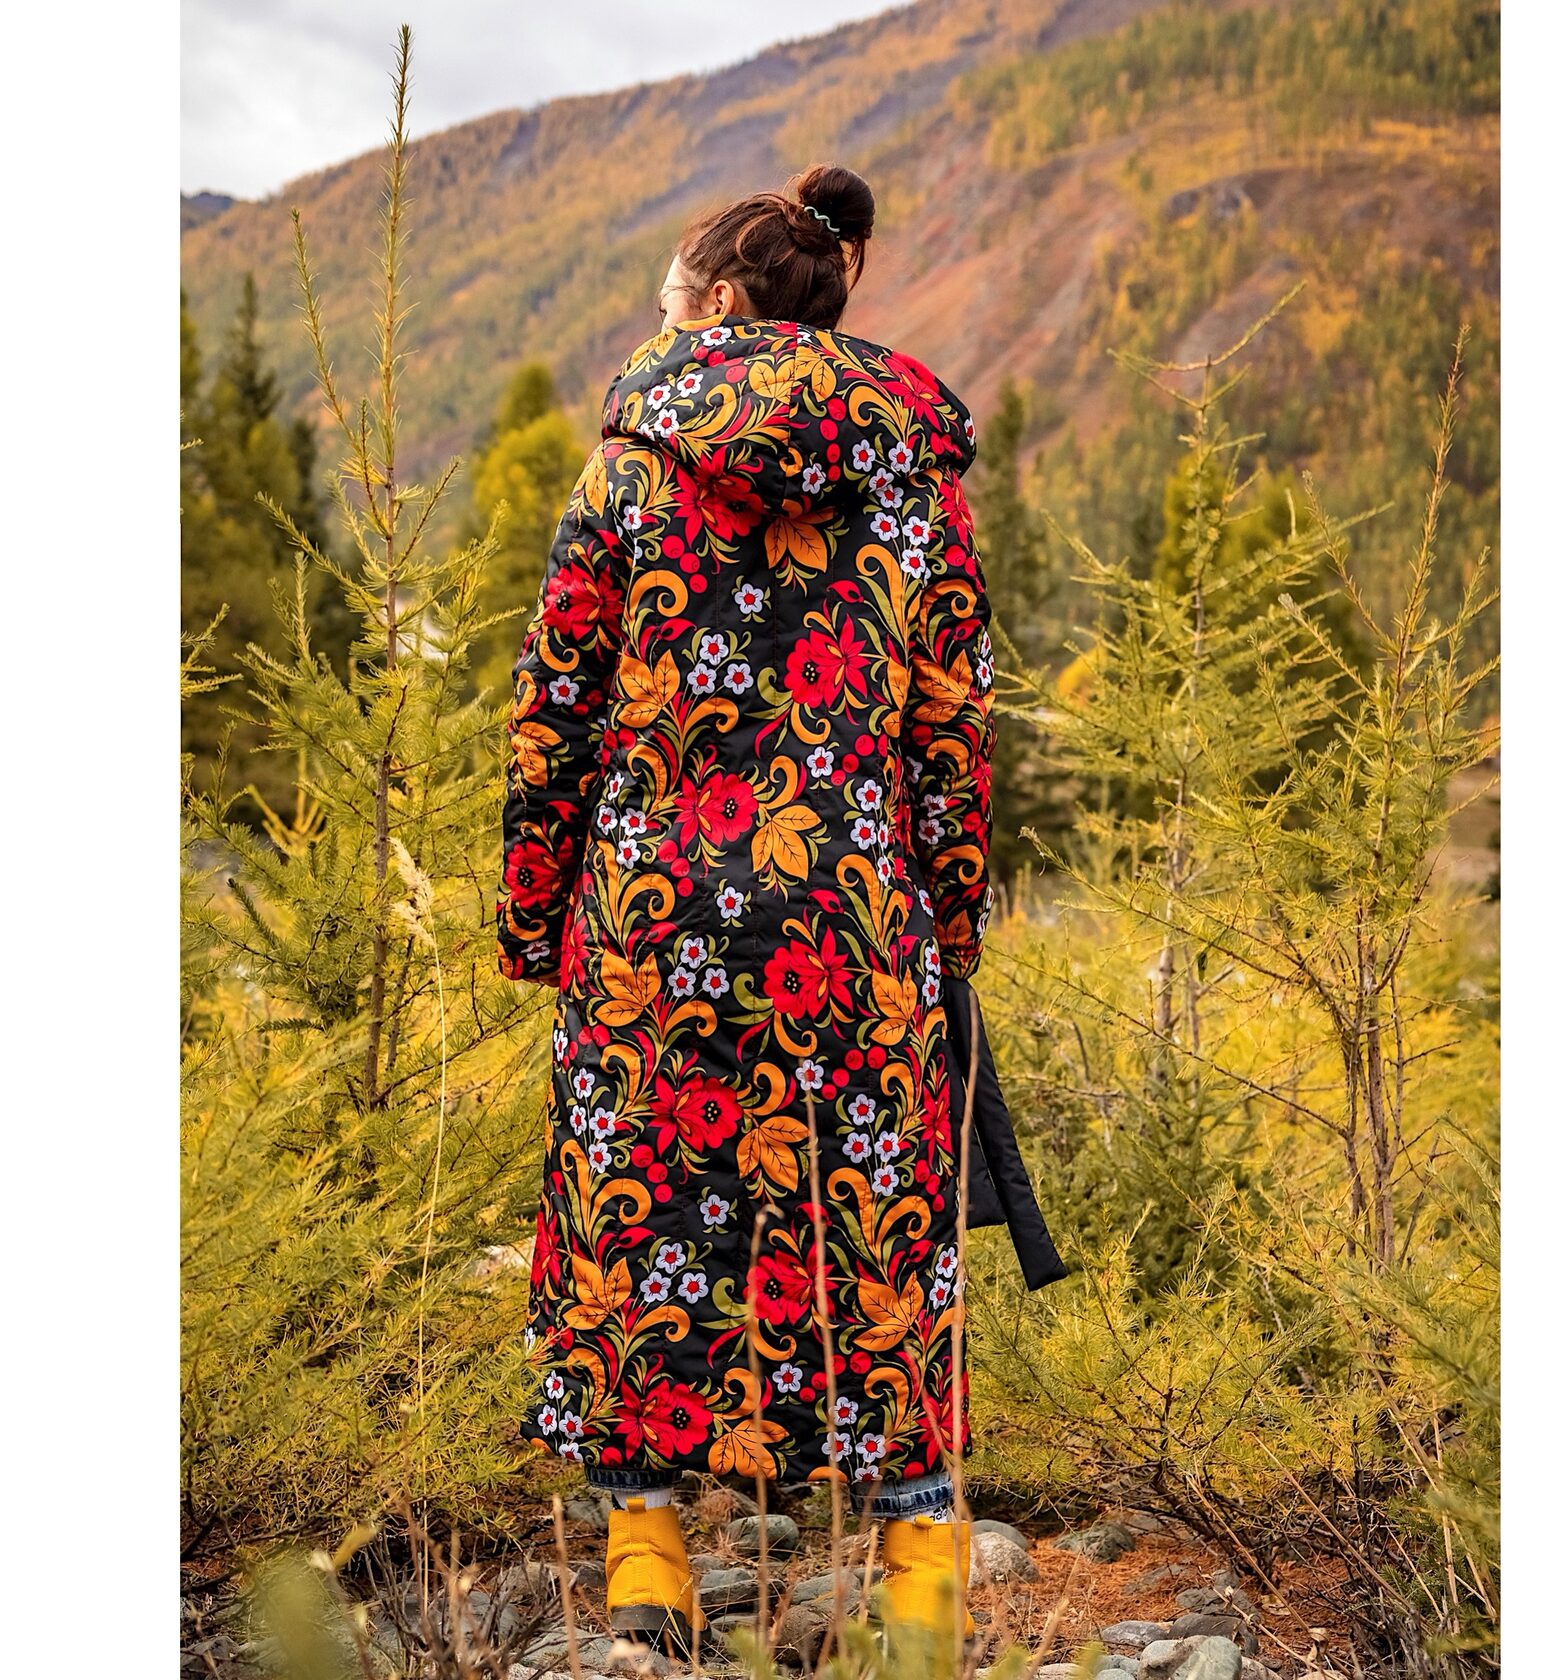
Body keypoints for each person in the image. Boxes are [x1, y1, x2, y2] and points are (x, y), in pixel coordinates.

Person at [497, 162, 996, 1650]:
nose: (659, 320)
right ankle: (921, 1579)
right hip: (855, 920)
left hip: (651, 925)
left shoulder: (626, 478)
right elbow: (952, 728)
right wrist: (946, 921)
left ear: (718, 302)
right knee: (878, 1231)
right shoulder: (916, 487)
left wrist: (535, 914)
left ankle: (648, 1556)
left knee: (638, 1220)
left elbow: (556, 714)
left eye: (671, 298)